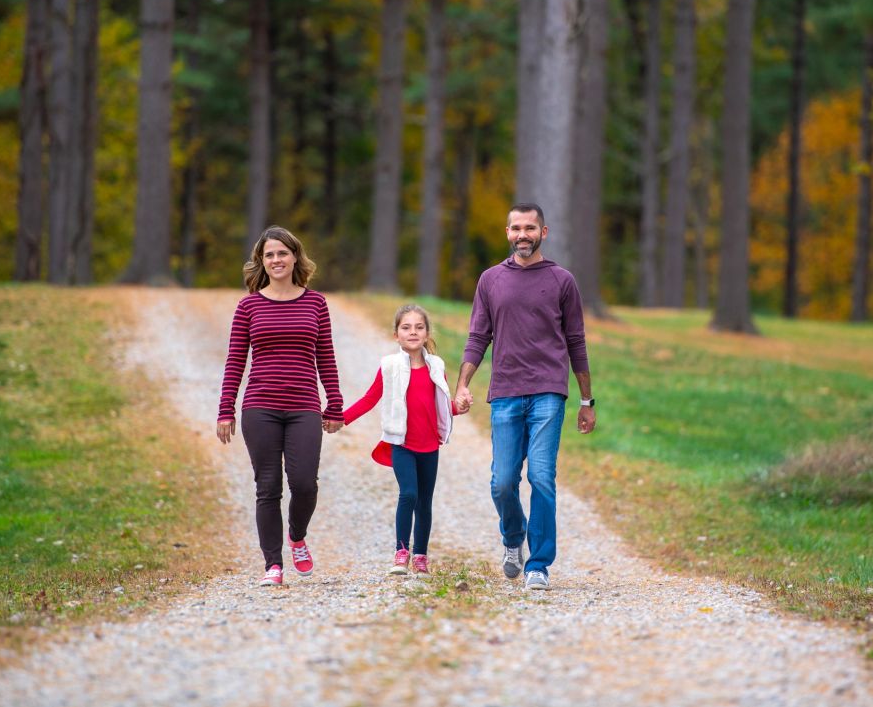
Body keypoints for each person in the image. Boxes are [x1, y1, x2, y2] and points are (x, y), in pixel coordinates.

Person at [454, 203, 595, 591]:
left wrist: (586, 401)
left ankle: (539, 564)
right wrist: (463, 383)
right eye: (516, 227)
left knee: (541, 477)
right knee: (502, 481)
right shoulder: (490, 280)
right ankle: (513, 539)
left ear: (543, 233)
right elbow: (478, 336)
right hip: (505, 393)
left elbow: (576, 342)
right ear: (507, 232)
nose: (523, 234)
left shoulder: (562, 280)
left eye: (530, 228)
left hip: (549, 392)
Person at [216, 226, 344, 587]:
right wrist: (226, 409)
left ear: (294, 257)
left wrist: (335, 404)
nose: (276, 260)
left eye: (282, 253)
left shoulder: (316, 303)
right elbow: (235, 361)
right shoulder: (249, 306)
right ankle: (273, 564)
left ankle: (297, 535)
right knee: (267, 486)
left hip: (304, 405)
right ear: (261, 261)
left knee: (304, 484)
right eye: (269, 255)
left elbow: (327, 358)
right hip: (260, 407)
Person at [341, 304, 468, 577]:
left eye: (419, 327)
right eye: (406, 327)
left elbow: (442, 405)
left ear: (427, 333)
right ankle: (401, 552)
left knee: (425, 501)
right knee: (408, 493)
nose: (413, 332)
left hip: (429, 446)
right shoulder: (389, 366)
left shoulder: (437, 365)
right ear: (396, 335)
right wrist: (342, 418)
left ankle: (420, 556)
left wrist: (459, 405)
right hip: (402, 443)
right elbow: (370, 398)